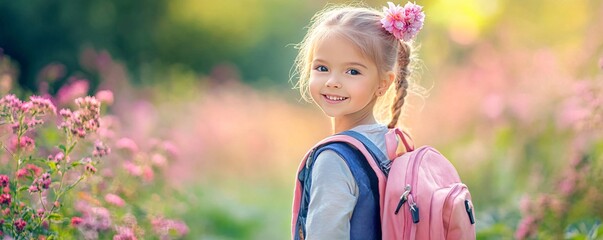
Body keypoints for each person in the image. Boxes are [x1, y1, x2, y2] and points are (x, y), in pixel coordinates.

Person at [291, 1, 425, 239]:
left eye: (352, 71)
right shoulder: (393, 143)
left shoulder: (333, 160)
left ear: (383, 83)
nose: (332, 81)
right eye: (322, 68)